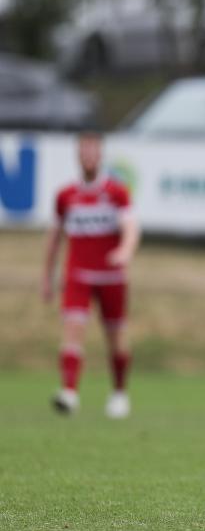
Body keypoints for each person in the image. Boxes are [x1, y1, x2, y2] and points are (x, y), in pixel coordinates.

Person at [42, 132, 140, 418]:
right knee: (73, 329)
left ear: (100, 155)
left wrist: (125, 251)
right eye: (83, 151)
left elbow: (131, 228)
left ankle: (119, 393)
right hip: (78, 275)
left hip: (112, 277)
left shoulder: (117, 192)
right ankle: (69, 392)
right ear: (77, 156)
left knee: (116, 337)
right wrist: (47, 276)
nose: (88, 157)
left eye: (93, 151)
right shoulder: (65, 196)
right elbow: (54, 238)